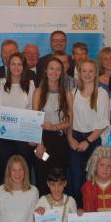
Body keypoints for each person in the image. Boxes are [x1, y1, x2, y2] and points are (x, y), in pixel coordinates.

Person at [0, 52, 36, 188]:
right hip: (3, 137)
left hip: (23, 139)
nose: (16, 67)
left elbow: (34, 112)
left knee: (23, 172)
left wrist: (33, 136)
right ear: (8, 66)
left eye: (19, 64)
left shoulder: (31, 85)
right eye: (13, 64)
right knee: (3, 172)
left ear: (24, 67)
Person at [67, 59, 108, 207]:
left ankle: (93, 213)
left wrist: (88, 141)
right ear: (79, 73)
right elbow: (68, 119)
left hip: (93, 140)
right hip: (75, 139)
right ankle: (78, 211)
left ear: (96, 73)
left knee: (93, 180)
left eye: (91, 71)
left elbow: (103, 122)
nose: (87, 74)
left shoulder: (102, 94)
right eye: (84, 71)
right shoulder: (73, 93)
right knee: (76, 180)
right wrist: (70, 138)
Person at [32, 57, 73, 195]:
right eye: (51, 68)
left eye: (58, 69)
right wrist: (39, 145)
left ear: (62, 72)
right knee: (43, 176)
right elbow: (35, 121)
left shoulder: (66, 94)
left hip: (60, 142)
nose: (54, 72)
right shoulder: (38, 92)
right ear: (45, 70)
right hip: (42, 141)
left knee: (59, 178)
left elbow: (70, 121)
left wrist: (54, 127)